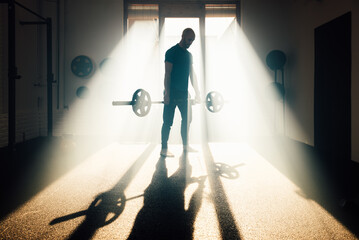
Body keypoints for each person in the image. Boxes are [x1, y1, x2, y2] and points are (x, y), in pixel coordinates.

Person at [160, 28, 201, 157]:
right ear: (183, 36)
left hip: (184, 93)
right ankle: (164, 148)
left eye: (193, 41)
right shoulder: (171, 52)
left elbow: (192, 75)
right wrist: (167, 94)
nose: (190, 42)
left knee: (188, 119)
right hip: (171, 92)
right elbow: (167, 74)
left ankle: (185, 146)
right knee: (168, 122)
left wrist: (198, 93)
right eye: (189, 39)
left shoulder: (189, 55)